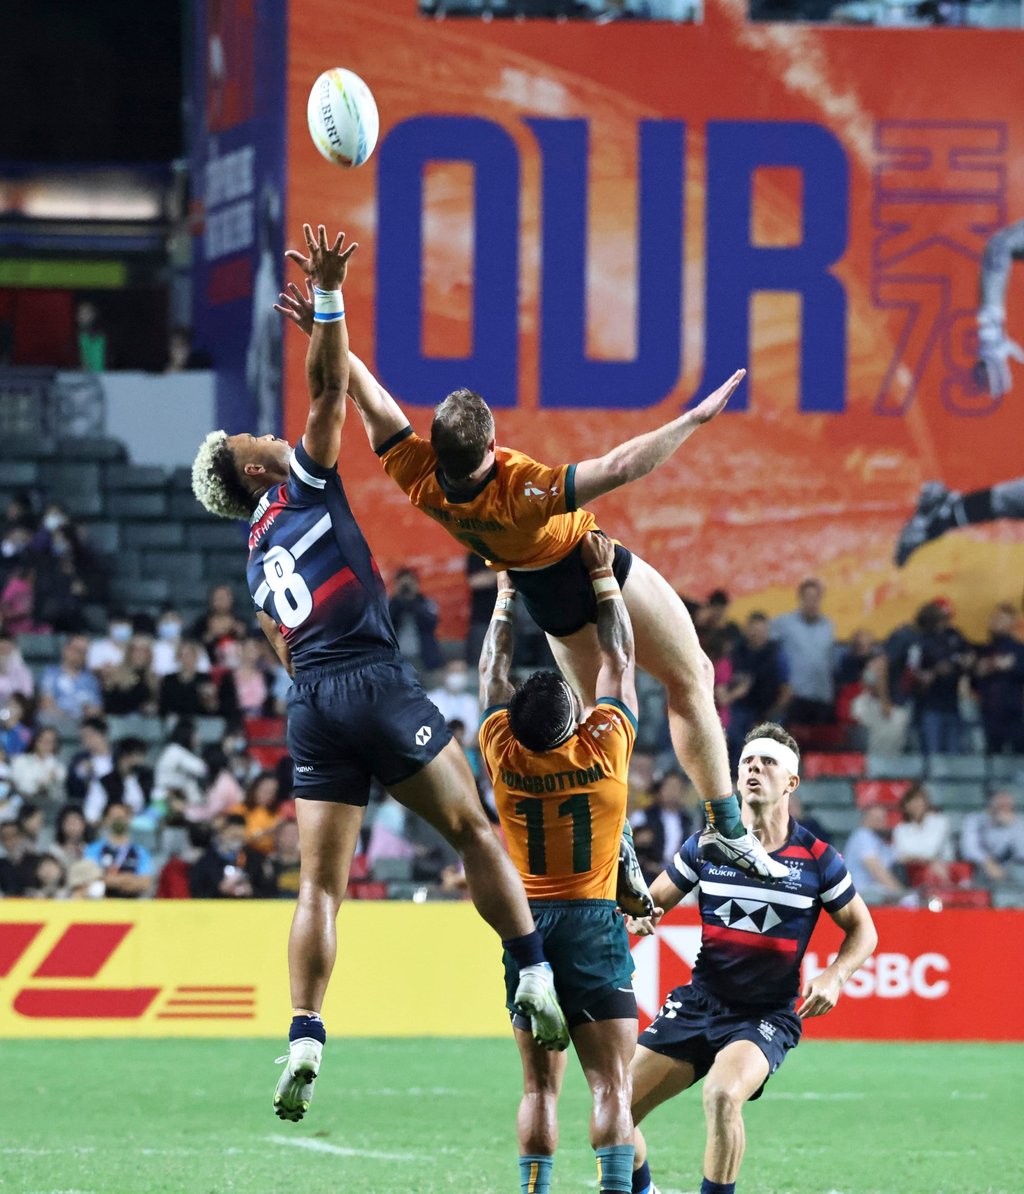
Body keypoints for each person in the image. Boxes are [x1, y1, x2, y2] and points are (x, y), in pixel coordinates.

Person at [190, 224, 570, 1124]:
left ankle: (305, 1035)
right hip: (372, 679)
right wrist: (329, 298)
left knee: (320, 886)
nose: (273, 436)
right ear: (252, 468)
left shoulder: (254, 557)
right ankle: (536, 973)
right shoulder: (301, 486)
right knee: (474, 830)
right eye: (258, 436)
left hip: (312, 705)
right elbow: (329, 392)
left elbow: (286, 647)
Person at [274, 279, 784, 882]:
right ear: (492, 443)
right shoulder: (523, 492)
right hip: (588, 563)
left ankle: (613, 847)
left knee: (601, 722)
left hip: (545, 601)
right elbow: (621, 466)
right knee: (691, 676)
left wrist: (325, 333)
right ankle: (727, 827)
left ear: (438, 448)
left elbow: (365, 393)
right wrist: (696, 418)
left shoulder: (419, 478)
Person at [625, 723, 878, 1194]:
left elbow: (863, 930)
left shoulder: (818, 859)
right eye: (746, 762)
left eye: (768, 762)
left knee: (722, 1095)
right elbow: (652, 903)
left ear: (791, 783)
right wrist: (641, 915)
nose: (754, 768)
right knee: (613, 1114)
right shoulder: (706, 844)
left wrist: (835, 974)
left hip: (764, 1016)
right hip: (699, 1001)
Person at [478, 532, 645, 1194]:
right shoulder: (603, 753)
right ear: (574, 720)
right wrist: (605, 580)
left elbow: (492, 674)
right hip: (593, 923)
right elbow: (621, 662)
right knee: (610, 1082)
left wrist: (503, 597)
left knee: (538, 1089)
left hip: (528, 926)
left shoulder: (500, 753)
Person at [770, 579, 836, 725]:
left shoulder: (828, 626)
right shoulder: (784, 623)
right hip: (795, 696)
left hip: (822, 696)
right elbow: (768, 648)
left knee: (819, 744)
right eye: (808, 598)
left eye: (815, 598)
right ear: (800, 598)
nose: (811, 602)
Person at [973, 604, 1024, 754]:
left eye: (1001, 619)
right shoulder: (984, 650)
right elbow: (974, 677)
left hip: (1013, 712)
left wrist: (1009, 666)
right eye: (994, 618)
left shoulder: (1019, 650)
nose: (995, 622)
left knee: (1017, 754)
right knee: (991, 753)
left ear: (1011, 624)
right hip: (988, 711)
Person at [83, 801, 154, 898]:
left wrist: (109, 880)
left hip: (133, 906)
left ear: (129, 819)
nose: (118, 821)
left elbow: (145, 883)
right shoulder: (93, 849)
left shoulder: (141, 852)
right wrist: (128, 879)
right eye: (114, 818)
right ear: (106, 820)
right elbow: (90, 880)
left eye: (121, 817)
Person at [960, 790, 1024, 894]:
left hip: (1011, 871)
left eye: (1009, 806)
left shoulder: (1019, 823)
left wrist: (1014, 827)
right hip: (981, 869)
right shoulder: (974, 819)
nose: (1005, 809)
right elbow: (969, 849)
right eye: (1001, 805)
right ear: (990, 807)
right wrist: (987, 862)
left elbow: (1022, 853)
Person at [843, 803, 908, 905]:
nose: (881, 821)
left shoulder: (878, 840)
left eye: (883, 817)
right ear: (865, 819)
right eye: (876, 818)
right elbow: (877, 871)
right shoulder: (863, 836)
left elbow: (902, 857)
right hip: (860, 896)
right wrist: (902, 895)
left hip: (874, 895)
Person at [891, 782, 953, 884]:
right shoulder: (900, 829)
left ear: (926, 802)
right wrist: (928, 861)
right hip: (912, 874)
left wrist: (913, 857)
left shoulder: (941, 822)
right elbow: (900, 857)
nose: (915, 805)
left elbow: (931, 851)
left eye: (918, 800)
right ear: (905, 806)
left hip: (944, 871)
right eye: (911, 801)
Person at [38, 635, 102, 722]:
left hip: (85, 725)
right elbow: (46, 703)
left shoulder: (91, 679)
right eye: (77, 650)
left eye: (84, 652)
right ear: (65, 650)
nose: (80, 655)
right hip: (58, 722)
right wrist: (68, 719)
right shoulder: (50, 674)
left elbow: (96, 708)